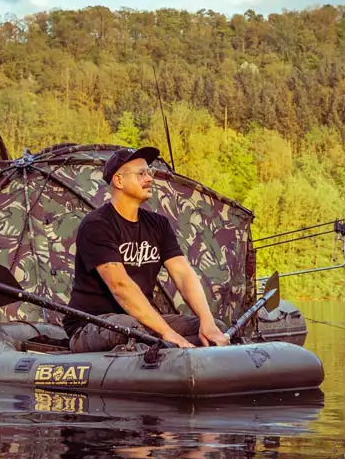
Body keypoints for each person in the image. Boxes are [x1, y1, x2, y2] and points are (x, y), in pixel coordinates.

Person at [63, 146, 230, 352]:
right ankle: (162, 346)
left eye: (149, 172)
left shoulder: (158, 224)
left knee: (214, 329)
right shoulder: (97, 224)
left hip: (142, 321)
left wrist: (207, 321)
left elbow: (183, 275)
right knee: (131, 329)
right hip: (92, 324)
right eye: (141, 173)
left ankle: (172, 349)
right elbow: (120, 286)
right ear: (119, 181)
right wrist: (166, 332)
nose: (149, 178)